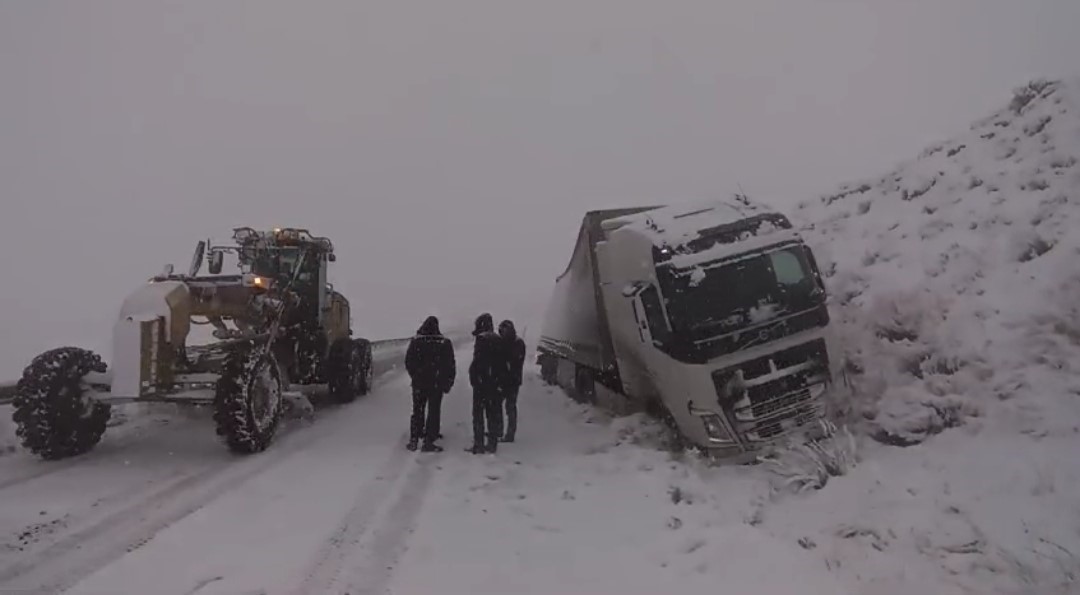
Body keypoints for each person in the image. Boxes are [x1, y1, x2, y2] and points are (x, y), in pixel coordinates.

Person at [404, 315, 456, 452]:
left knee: (417, 410)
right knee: (434, 411)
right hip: (436, 383)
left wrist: (415, 375)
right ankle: (429, 439)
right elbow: (450, 364)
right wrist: (448, 381)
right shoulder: (444, 343)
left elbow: (409, 361)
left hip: (419, 383)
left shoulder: (416, 342)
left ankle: (414, 438)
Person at [468, 313, 502, 454]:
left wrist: (475, 379)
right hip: (494, 383)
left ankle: (479, 444)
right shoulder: (498, 339)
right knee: (492, 413)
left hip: (482, 383)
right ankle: (492, 443)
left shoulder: (482, 339)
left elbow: (478, 363)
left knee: (478, 414)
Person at [496, 319, 526, 442]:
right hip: (509, 380)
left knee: (508, 407)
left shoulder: (516, 343)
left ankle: (507, 433)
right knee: (504, 406)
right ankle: (501, 431)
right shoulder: (516, 342)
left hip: (510, 380)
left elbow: (513, 361)